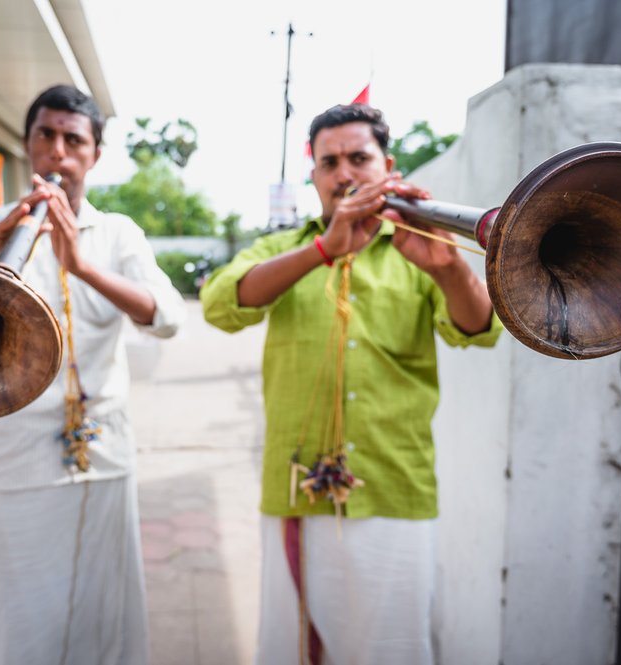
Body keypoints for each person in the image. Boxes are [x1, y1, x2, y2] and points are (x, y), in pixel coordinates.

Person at [200, 103, 503, 664]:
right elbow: (220, 303)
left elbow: (482, 329)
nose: (344, 174)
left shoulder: (422, 244)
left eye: (358, 159)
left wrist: (447, 267)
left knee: (392, 649)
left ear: (386, 166)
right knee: (292, 647)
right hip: (298, 489)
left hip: (394, 486)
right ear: (313, 176)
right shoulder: (286, 246)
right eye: (329, 162)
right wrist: (322, 251)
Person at [0, 85, 185, 665]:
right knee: (25, 603)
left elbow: (168, 318)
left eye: (74, 139)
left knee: (104, 598)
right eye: (47, 135)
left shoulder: (117, 233)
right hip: (16, 448)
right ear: (28, 144)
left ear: (93, 154)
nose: (58, 151)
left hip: (104, 445)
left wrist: (82, 266)